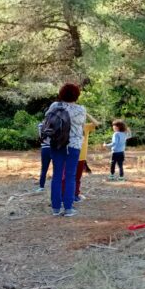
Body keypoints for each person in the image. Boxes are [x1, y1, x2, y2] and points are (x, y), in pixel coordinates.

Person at [47, 83, 87, 216]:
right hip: (73, 145)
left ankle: (55, 208)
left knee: (57, 175)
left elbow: (47, 119)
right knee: (70, 176)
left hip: (57, 143)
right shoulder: (81, 109)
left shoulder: (54, 106)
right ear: (77, 95)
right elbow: (81, 125)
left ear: (61, 93)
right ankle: (68, 208)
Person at [62, 119, 99, 202]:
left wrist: (86, 113)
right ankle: (63, 195)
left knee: (77, 177)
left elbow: (96, 124)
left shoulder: (85, 126)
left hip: (81, 157)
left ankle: (75, 195)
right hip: (69, 156)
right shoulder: (68, 126)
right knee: (66, 177)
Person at [36, 122, 51, 192]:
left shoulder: (41, 125)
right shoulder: (56, 123)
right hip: (54, 149)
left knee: (44, 169)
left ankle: (41, 186)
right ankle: (56, 185)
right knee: (57, 170)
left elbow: (40, 136)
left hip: (45, 148)